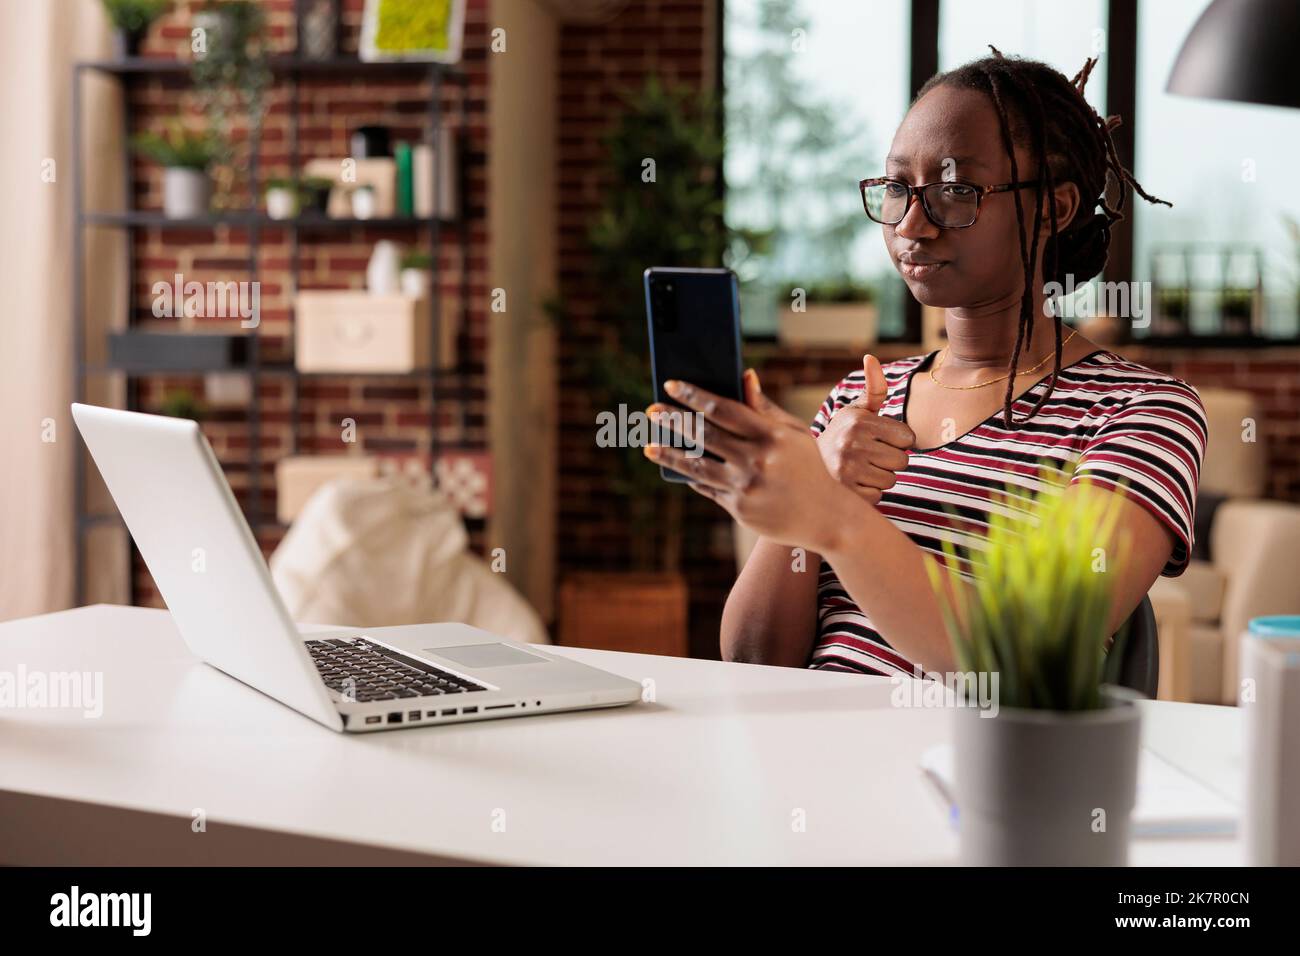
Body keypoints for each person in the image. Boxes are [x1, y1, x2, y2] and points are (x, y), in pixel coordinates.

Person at [644, 49, 1208, 677]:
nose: (912, 223)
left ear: (1054, 207)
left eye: (954, 191)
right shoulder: (863, 396)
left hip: (971, 770)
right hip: (803, 752)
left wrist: (835, 519)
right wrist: (806, 501)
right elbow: (754, 658)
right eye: (896, 189)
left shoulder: (1142, 412)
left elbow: (1030, 651)